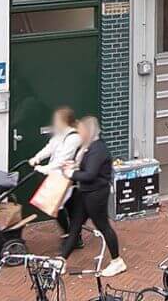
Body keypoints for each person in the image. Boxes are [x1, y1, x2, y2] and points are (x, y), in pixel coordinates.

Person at [64, 114, 126, 277]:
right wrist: (73, 166)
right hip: (85, 193)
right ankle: (61, 260)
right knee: (75, 227)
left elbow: (90, 174)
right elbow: (85, 168)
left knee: (103, 226)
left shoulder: (98, 149)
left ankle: (117, 261)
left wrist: (71, 173)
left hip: (96, 194)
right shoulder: (88, 147)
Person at [29, 106, 82, 237]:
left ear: (64, 121)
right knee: (63, 205)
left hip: (67, 178)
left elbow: (62, 159)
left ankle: (70, 235)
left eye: (57, 120)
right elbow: (50, 147)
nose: (55, 122)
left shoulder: (74, 138)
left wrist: (44, 168)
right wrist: (37, 158)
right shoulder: (60, 134)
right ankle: (72, 234)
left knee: (58, 205)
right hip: (57, 176)